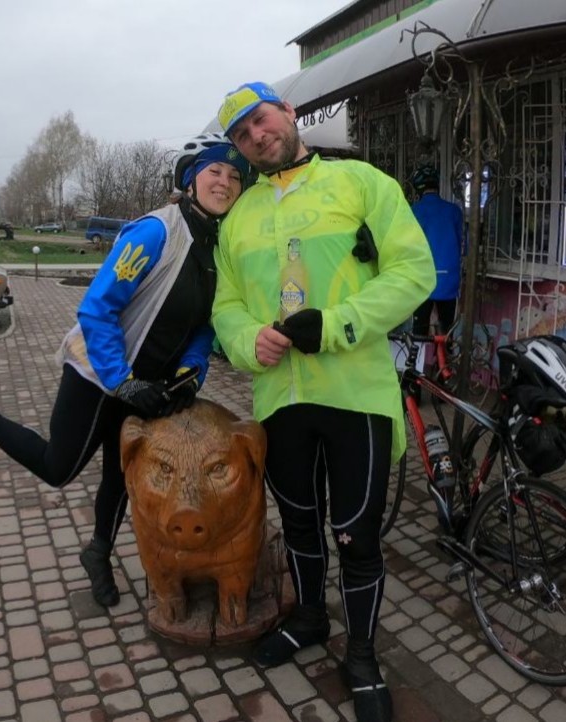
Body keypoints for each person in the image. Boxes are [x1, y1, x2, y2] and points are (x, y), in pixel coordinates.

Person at [0, 134, 248, 608]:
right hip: (99, 372)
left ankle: (98, 551)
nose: (224, 182)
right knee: (58, 468)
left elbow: (205, 324)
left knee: (122, 474)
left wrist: (191, 370)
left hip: (146, 386)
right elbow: (97, 309)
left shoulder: (217, 247)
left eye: (235, 176)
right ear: (190, 180)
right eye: (214, 171)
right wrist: (121, 381)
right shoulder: (156, 233)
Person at [212, 82, 435, 722]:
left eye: (261, 120)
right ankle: (310, 618)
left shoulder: (361, 183)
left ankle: (361, 656)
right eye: (242, 135)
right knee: (299, 524)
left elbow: (414, 271)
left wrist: (337, 324)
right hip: (280, 397)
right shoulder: (238, 218)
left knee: (356, 535)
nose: (256, 137)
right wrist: (246, 340)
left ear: (287, 112)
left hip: (354, 393)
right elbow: (226, 305)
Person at [410, 165, 463, 335]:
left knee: (419, 334)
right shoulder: (454, 211)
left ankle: (419, 351)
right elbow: (465, 246)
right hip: (449, 281)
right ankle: (445, 353)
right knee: (447, 333)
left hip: (421, 281)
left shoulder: (413, 212)